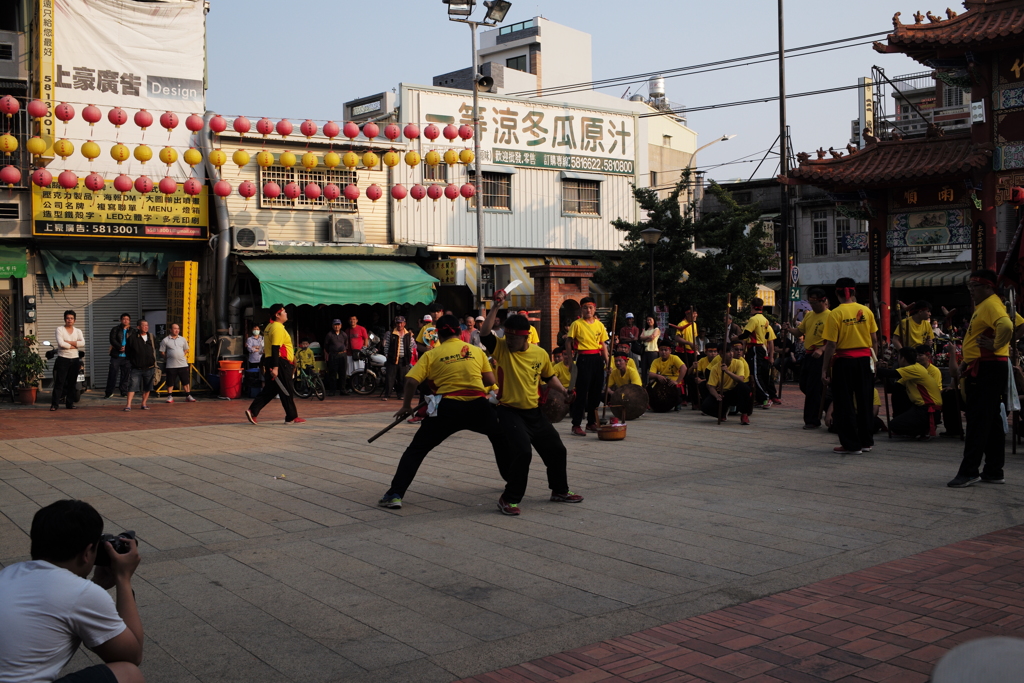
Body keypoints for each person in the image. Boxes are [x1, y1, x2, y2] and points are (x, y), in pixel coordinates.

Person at [0, 499, 144, 683]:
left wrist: (96, 584)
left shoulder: (9, 573)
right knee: (127, 673)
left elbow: (64, 603)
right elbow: (132, 655)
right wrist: (123, 578)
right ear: (88, 552)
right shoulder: (82, 593)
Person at [377, 314, 501, 509]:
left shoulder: (431, 354)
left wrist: (407, 406)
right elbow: (489, 381)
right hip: (478, 406)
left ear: (437, 335)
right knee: (501, 438)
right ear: (461, 332)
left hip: (447, 408)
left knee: (416, 450)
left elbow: (411, 381)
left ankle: (395, 494)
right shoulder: (476, 352)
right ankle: (511, 481)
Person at [481, 302, 582, 515]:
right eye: (507, 336)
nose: (509, 341)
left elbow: (548, 377)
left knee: (557, 449)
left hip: (534, 412)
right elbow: (484, 333)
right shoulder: (501, 348)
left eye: (514, 338)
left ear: (526, 337)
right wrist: (495, 307)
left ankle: (559, 491)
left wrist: (564, 391)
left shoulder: (539, 354)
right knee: (523, 452)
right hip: (509, 411)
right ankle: (508, 499)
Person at [948, 269, 1012, 487]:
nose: (971, 291)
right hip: (985, 366)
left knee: (977, 421)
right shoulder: (985, 305)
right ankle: (994, 470)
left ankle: (969, 471)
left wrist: (996, 345)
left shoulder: (992, 304)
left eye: (974, 286)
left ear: (988, 287)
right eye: (969, 287)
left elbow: (1007, 325)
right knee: (991, 421)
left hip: (988, 368)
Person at [821, 278, 878, 455]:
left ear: (837, 293)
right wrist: (874, 361)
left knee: (844, 403)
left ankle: (851, 444)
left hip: (844, 361)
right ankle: (867, 441)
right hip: (864, 361)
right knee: (865, 401)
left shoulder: (835, 313)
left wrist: (824, 368)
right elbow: (874, 340)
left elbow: (831, 344)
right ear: (853, 292)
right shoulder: (866, 311)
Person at [245, 304, 305, 425]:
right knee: (286, 389)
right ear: (277, 315)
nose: (286, 313)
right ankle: (291, 417)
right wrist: (276, 368)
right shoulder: (277, 327)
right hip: (280, 363)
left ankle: (253, 411)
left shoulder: (269, 326)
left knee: (270, 390)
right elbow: (275, 348)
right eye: (284, 312)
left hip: (273, 361)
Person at [784, 287, 830, 429]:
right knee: (804, 384)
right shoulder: (809, 316)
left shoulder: (831, 316)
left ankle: (812, 420)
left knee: (813, 388)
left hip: (821, 355)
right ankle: (829, 405)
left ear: (823, 301)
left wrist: (822, 349)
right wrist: (789, 329)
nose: (812, 305)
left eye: (815, 302)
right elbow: (800, 332)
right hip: (808, 355)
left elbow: (835, 339)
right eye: (811, 302)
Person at [565, 296, 609, 436]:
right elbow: (568, 342)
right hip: (583, 358)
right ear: (581, 309)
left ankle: (591, 422)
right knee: (582, 393)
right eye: (585, 307)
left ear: (594, 308)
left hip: (597, 359)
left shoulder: (599, 325)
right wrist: (571, 361)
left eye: (590, 307)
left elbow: (603, 345)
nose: (588, 310)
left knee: (596, 393)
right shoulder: (576, 324)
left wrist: (608, 363)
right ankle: (576, 424)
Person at [879, 346, 943, 439]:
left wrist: (876, 369)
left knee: (895, 425)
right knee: (898, 391)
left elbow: (892, 373)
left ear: (903, 358)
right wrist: (883, 372)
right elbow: (894, 387)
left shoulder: (915, 368)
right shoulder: (911, 370)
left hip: (928, 409)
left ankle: (922, 429)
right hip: (920, 407)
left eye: (898, 357)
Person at [736, 298, 778, 408]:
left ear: (752, 306)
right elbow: (770, 339)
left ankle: (766, 397)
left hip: (755, 348)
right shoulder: (765, 320)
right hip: (762, 349)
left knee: (755, 374)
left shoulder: (754, 319)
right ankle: (760, 398)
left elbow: (745, 335)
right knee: (759, 374)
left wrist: (735, 338)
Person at [701, 341, 753, 425]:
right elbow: (711, 386)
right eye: (728, 352)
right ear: (721, 354)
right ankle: (722, 413)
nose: (731, 354)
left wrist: (727, 371)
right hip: (722, 393)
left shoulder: (739, 363)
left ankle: (744, 414)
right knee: (705, 407)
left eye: (731, 351)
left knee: (744, 388)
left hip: (734, 392)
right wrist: (716, 395)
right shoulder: (715, 368)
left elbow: (741, 379)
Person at [52, 310, 84, 412]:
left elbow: (82, 343)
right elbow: (61, 344)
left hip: (75, 359)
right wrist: (74, 344)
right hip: (63, 359)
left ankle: (69, 403)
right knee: (59, 382)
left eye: (71, 318)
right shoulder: (60, 329)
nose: (69, 320)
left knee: (72, 383)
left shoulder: (78, 331)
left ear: (74, 320)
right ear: (64, 319)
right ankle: (54, 404)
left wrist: (68, 342)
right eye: (67, 318)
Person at [124, 320, 156, 413]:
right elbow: (128, 352)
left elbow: (154, 349)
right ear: (138, 327)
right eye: (143, 325)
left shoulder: (151, 337)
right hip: (136, 368)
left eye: (147, 325)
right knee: (132, 386)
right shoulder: (132, 338)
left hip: (149, 367)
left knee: (147, 387)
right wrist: (132, 362)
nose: (146, 327)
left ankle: (144, 403)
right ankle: (128, 405)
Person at [670, 305, 699, 405]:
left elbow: (694, 338)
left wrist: (695, 347)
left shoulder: (694, 324)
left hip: (691, 352)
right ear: (687, 314)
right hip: (682, 352)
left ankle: (692, 397)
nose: (695, 315)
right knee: (684, 375)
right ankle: (683, 397)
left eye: (696, 313)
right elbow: (677, 338)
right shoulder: (682, 324)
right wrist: (689, 343)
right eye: (693, 313)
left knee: (692, 374)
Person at [381, 315, 413, 401]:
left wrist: (410, 355)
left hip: (404, 359)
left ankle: (401, 394)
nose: (399, 325)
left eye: (401, 323)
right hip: (392, 358)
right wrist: (387, 355)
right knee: (390, 377)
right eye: (398, 323)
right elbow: (386, 346)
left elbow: (411, 346)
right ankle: (387, 394)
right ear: (396, 324)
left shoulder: (408, 334)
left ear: (404, 324)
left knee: (402, 378)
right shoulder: (391, 333)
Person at [159, 323, 194, 403]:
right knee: (170, 381)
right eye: (174, 328)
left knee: (185, 381)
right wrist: (168, 357)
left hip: (183, 364)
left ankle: (188, 395)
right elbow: (162, 352)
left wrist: (180, 355)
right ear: (170, 330)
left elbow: (186, 349)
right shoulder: (165, 340)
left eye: (178, 328)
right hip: (171, 365)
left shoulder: (182, 339)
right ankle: (170, 396)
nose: (177, 330)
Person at [648, 341, 685, 409]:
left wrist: (677, 381)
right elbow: (650, 374)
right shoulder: (656, 361)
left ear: (670, 351)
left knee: (675, 389)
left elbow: (684, 368)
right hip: (663, 380)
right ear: (659, 351)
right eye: (661, 350)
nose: (663, 352)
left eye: (666, 350)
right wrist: (658, 376)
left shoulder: (675, 358)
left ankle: (678, 402)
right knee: (651, 385)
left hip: (673, 380)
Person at [104, 314, 133, 399]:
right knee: (112, 374)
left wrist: (127, 348)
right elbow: (112, 340)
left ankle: (123, 392)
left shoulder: (132, 331)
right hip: (116, 356)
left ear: (129, 321)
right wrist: (120, 347)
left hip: (127, 356)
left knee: (125, 375)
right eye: (124, 319)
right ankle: (109, 392)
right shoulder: (115, 329)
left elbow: (133, 342)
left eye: (127, 319)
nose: (125, 320)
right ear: (120, 320)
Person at [323, 319, 349, 396]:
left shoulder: (344, 334)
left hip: (342, 355)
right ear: (332, 326)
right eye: (335, 325)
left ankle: (343, 390)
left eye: (338, 324)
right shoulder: (329, 335)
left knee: (343, 373)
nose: (337, 326)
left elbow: (346, 344)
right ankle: (332, 390)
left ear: (341, 325)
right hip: (333, 355)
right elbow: (326, 346)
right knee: (332, 373)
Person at [639, 316, 660, 380]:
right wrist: (648, 337)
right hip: (645, 351)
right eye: (647, 320)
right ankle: (644, 384)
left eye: (650, 320)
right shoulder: (645, 329)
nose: (649, 321)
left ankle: (652, 383)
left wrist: (645, 339)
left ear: (654, 320)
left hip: (653, 351)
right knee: (643, 369)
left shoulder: (656, 329)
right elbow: (640, 337)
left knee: (652, 369)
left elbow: (652, 337)